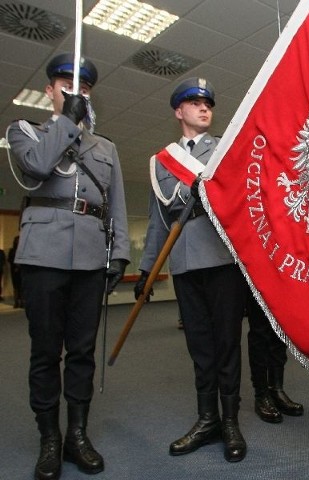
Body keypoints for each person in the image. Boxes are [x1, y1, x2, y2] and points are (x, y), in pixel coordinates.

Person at [7, 53, 130, 479]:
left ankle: (76, 434)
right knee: (45, 352)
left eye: (84, 88)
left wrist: (120, 255)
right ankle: (49, 439)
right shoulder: (24, 132)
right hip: (42, 255)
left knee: (81, 351)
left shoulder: (106, 148)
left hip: (91, 258)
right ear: (49, 90)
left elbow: (115, 204)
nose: (76, 92)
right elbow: (39, 167)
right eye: (66, 84)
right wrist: (67, 122)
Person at [136, 77, 247, 462]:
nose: (205, 109)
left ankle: (230, 422)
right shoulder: (160, 161)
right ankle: (207, 420)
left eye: (209, 104)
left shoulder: (226, 149)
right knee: (200, 347)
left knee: (227, 344)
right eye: (195, 102)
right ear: (178, 111)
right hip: (184, 262)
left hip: (222, 258)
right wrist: (147, 269)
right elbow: (156, 220)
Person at [247, 294, 304, 423]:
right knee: (260, 330)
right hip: (256, 277)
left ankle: (276, 389)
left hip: (282, 277)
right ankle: (261, 395)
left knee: (281, 328)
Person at [8, 235, 23, 308]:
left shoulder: (22, 249)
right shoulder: (12, 250)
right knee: (16, 287)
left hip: (21, 270)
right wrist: (15, 266)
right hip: (14, 270)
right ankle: (16, 302)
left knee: (21, 286)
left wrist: (19, 266)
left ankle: (22, 302)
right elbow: (10, 260)